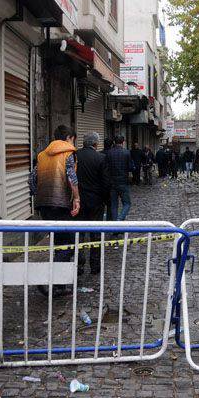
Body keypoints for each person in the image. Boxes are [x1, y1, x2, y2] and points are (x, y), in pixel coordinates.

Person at [29, 125, 80, 296]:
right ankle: (48, 278)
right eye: (73, 139)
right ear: (68, 138)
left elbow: (32, 179)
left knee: (59, 242)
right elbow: (72, 178)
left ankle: (59, 284)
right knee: (68, 243)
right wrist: (77, 199)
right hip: (61, 204)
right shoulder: (68, 153)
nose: (73, 142)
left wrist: (39, 194)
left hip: (44, 205)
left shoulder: (42, 155)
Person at [76, 132, 111, 274]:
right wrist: (107, 201)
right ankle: (95, 266)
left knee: (79, 234)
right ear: (96, 144)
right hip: (96, 202)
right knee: (95, 234)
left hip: (78, 201)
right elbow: (106, 183)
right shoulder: (101, 158)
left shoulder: (75, 156)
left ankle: (79, 265)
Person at [105, 135, 132, 221]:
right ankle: (120, 219)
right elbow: (131, 167)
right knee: (127, 203)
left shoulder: (109, 153)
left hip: (112, 183)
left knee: (114, 205)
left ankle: (115, 227)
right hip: (123, 182)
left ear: (114, 142)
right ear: (123, 142)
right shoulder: (126, 153)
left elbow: (106, 168)